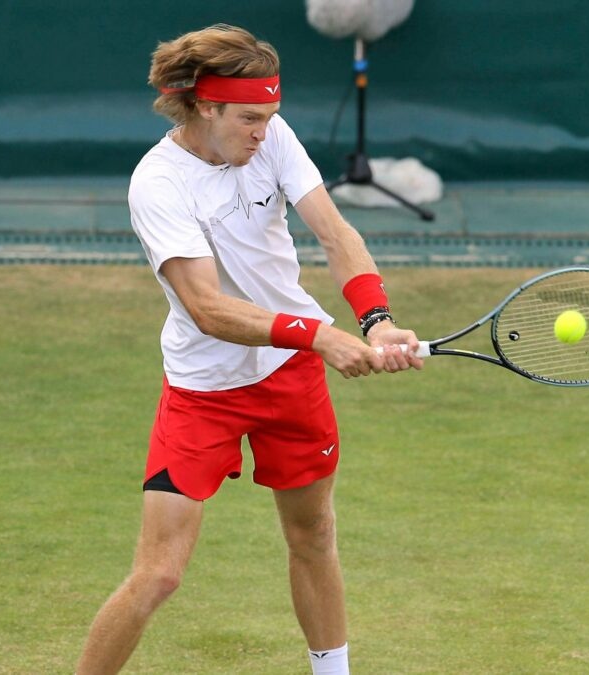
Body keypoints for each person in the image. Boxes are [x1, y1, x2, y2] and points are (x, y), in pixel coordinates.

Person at [75, 24, 422, 675]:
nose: (264, 130)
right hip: (203, 391)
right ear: (206, 107)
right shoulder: (159, 184)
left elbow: (334, 230)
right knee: (158, 574)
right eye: (249, 117)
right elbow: (206, 308)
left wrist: (376, 319)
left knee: (314, 533)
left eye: (270, 115)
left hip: (290, 378)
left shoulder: (272, 137)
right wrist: (318, 333)